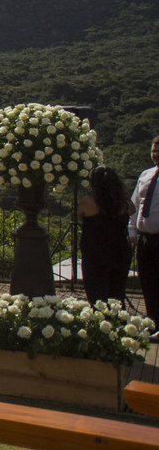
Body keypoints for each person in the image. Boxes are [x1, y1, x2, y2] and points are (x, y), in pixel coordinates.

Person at [76, 165, 133, 304]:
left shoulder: (87, 202)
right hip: (119, 253)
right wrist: (124, 195)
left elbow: (80, 218)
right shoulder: (122, 205)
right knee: (117, 298)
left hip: (95, 255)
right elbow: (133, 209)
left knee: (97, 298)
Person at [128, 135, 159, 330]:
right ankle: (153, 323)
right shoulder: (145, 175)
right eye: (154, 151)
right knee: (148, 283)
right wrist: (132, 231)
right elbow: (134, 206)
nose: (156, 155)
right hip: (145, 240)